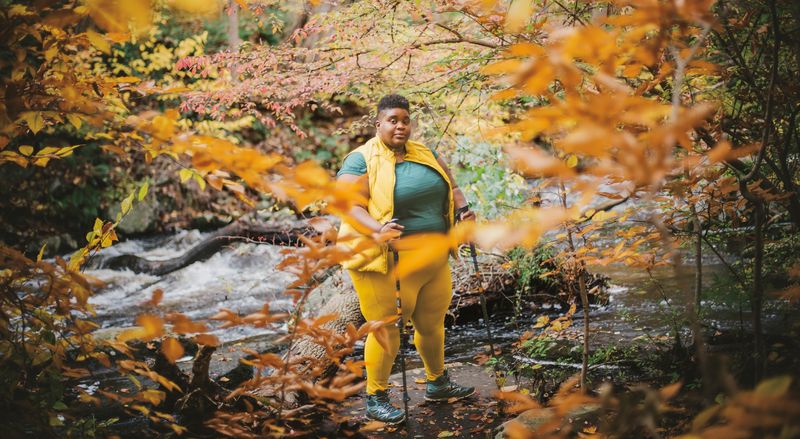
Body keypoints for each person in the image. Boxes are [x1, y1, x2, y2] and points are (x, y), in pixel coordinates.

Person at [336, 94, 477, 424]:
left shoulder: (425, 153)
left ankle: (437, 383)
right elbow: (347, 205)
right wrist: (378, 229)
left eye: (405, 120)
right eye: (393, 120)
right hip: (384, 262)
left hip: (433, 256)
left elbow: (453, 187)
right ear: (378, 124)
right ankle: (376, 397)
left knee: (431, 323)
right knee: (386, 329)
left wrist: (464, 210)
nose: (400, 126)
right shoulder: (360, 160)